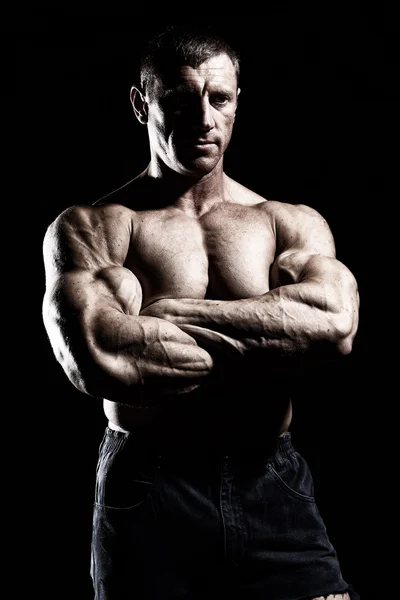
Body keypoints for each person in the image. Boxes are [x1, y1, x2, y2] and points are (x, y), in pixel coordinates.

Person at [42, 24, 360, 600]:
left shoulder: (286, 222)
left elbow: (333, 326)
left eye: (220, 99)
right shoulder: (95, 226)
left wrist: (161, 315)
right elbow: (102, 356)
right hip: (149, 486)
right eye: (181, 101)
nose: (203, 118)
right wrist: (269, 334)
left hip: (271, 480)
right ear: (143, 105)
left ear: (238, 101)